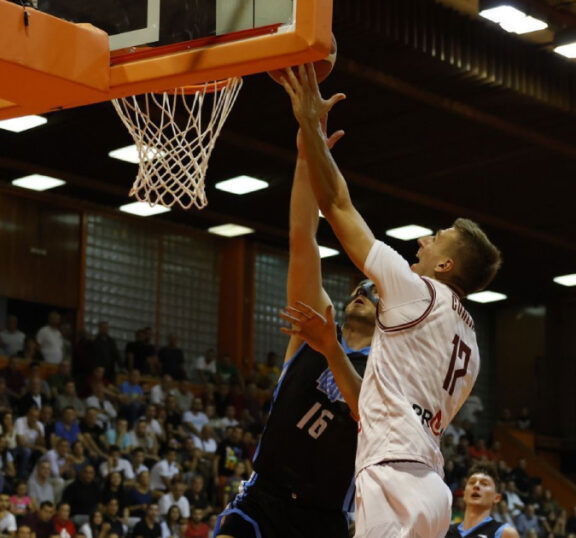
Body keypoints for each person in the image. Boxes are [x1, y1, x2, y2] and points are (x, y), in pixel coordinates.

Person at [280, 64, 502, 537]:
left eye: (436, 238)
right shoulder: (472, 343)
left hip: (394, 475)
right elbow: (377, 402)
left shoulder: (417, 292)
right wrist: (335, 352)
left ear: (446, 267)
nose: (423, 240)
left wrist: (308, 127)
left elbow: (338, 207)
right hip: (431, 488)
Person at [213, 106, 375, 538]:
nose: (362, 294)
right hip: (264, 498)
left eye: (374, 291)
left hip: (324, 517)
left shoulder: (390, 364)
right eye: (359, 288)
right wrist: (307, 156)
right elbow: (303, 239)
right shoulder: (314, 324)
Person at [446, 464, 518, 538]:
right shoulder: (446, 531)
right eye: (472, 482)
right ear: (464, 494)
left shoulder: (505, 533)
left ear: (496, 498)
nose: (476, 485)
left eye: (484, 484)